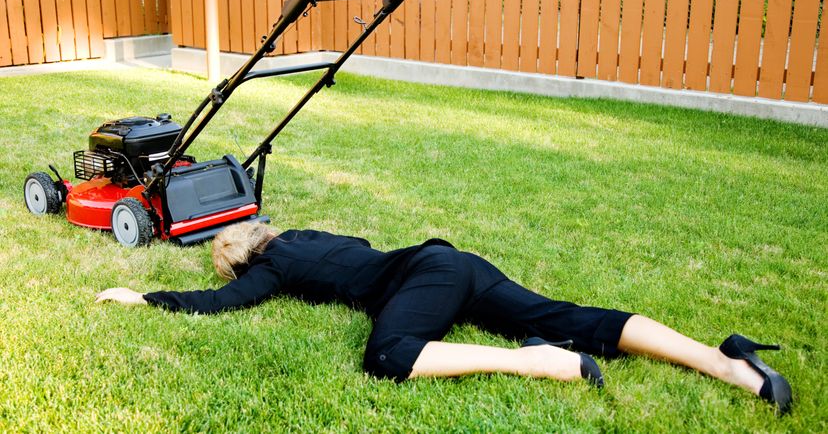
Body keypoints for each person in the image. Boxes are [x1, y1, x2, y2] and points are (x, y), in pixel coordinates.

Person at [96, 222, 792, 414]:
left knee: (388, 354)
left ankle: (538, 359)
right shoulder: (308, 240)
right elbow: (364, 260)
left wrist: (147, 299)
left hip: (427, 275)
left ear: (241, 261)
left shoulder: (271, 269)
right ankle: (724, 361)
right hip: (451, 263)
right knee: (572, 314)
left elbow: (223, 302)